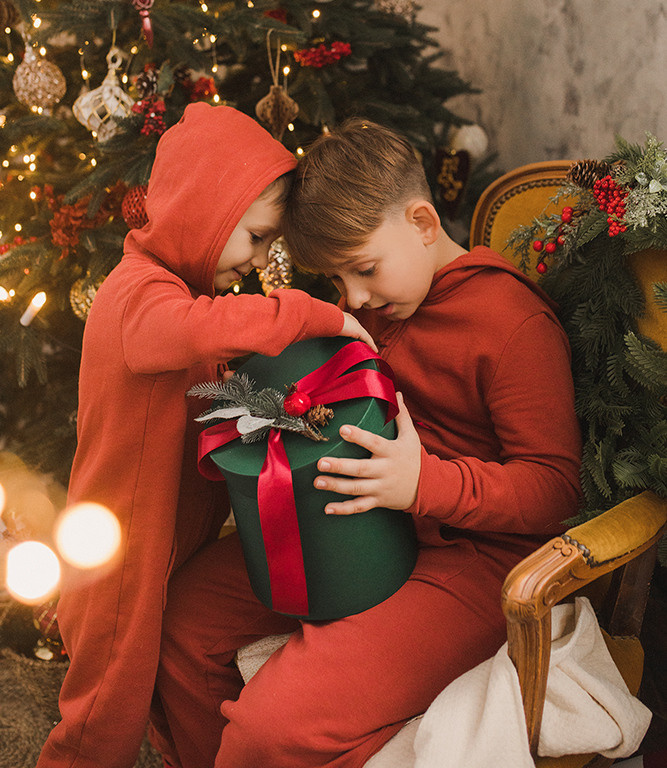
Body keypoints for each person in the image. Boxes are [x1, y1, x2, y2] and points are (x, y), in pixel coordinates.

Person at [154, 118, 583, 768]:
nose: (353, 298)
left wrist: (423, 484)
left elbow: (555, 492)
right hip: (366, 519)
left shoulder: (512, 323)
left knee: (269, 727)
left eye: (363, 269)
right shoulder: (376, 305)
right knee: (185, 621)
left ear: (421, 221)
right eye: (338, 280)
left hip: (474, 561)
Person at [36, 103, 374, 768]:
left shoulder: (177, 296)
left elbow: (211, 399)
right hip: (118, 563)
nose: (253, 262)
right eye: (252, 237)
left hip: (165, 550)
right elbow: (198, 331)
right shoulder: (140, 295)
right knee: (99, 727)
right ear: (204, 210)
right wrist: (315, 313)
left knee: (158, 701)